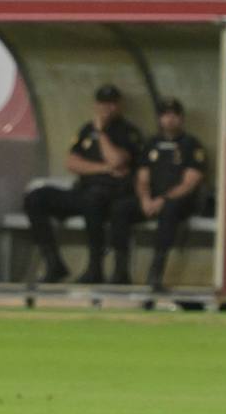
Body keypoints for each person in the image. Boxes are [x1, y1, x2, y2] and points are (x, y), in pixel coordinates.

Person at [24, 84, 142, 285]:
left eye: (112, 103)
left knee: (93, 200)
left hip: (111, 194)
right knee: (36, 197)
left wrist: (101, 133)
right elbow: (71, 163)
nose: (107, 108)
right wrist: (104, 168)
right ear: (96, 105)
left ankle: (95, 267)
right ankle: (53, 263)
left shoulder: (128, 132)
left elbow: (117, 160)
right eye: (103, 103)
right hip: (84, 188)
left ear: (119, 105)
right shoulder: (86, 130)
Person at [109, 98, 206, 290]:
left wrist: (163, 199)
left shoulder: (191, 145)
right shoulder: (151, 144)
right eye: (165, 115)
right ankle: (120, 270)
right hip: (151, 199)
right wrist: (145, 199)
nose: (169, 120)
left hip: (178, 201)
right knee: (120, 209)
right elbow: (142, 177)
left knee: (169, 210)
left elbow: (190, 182)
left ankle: (156, 271)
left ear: (181, 118)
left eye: (173, 115)